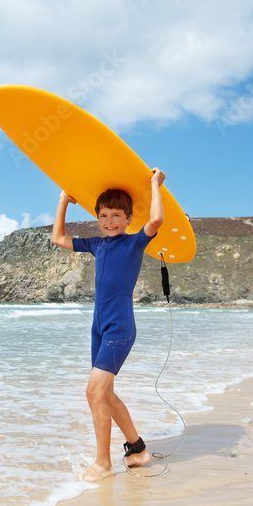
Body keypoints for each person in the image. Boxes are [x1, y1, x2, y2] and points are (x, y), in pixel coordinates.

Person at [51, 169, 166, 482]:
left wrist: (154, 185)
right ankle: (138, 449)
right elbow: (58, 238)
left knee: (94, 393)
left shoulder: (133, 243)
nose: (110, 221)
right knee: (106, 395)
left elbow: (155, 221)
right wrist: (64, 200)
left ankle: (103, 463)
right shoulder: (97, 245)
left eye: (117, 215)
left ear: (128, 218)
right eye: (104, 215)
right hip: (98, 330)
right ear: (97, 217)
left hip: (119, 330)